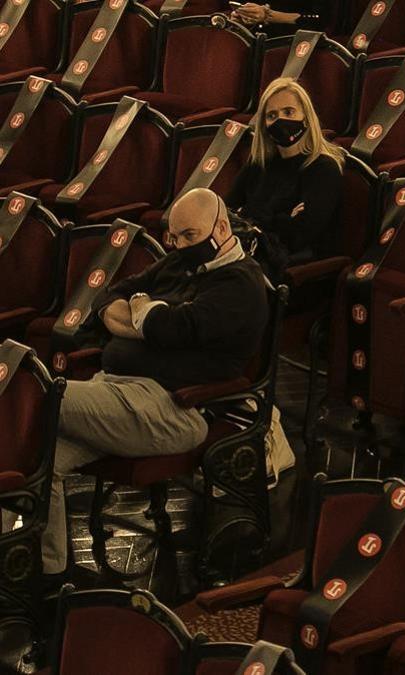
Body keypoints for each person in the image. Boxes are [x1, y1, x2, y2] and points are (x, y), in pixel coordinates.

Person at [41, 188, 268, 576]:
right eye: (174, 237)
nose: (179, 245)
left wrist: (149, 317)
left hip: (170, 408)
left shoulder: (240, 286)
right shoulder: (178, 264)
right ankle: (51, 573)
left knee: (33, 397)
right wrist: (143, 320)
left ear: (222, 227)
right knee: (37, 455)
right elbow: (109, 299)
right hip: (114, 390)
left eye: (189, 236)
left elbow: (173, 327)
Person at [226, 77, 344, 276]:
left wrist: (249, 214)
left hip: (291, 271)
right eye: (272, 115)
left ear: (306, 117)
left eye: (289, 112)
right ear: (264, 125)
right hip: (248, 257)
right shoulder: (258, 164)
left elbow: (298, 237)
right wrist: (283, 218)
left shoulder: (323, 168)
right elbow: (227, 214)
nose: (280, 121)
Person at [230, 1, 327, 35]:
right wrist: (240, 17)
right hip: (251, 41)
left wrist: (268, 15)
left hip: (294, 44)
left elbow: (320, 20)